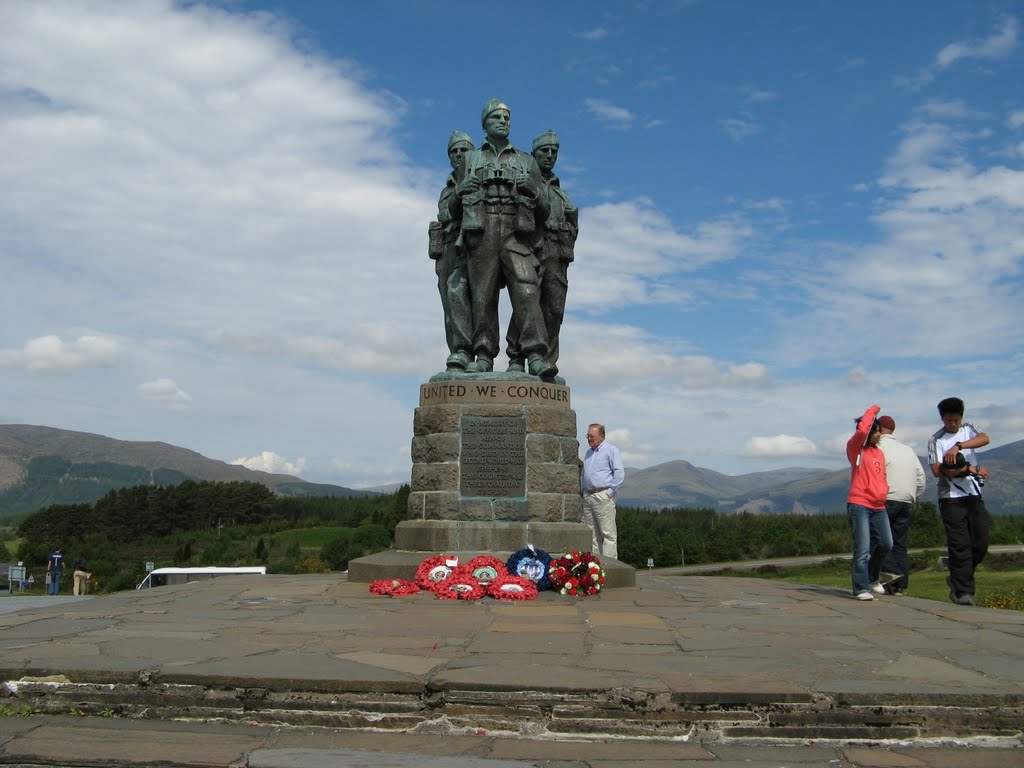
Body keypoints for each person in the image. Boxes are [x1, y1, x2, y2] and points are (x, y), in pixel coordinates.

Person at [451, 98, 555, 378]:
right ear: (485, 123)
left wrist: (533, 189)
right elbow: (452, 210)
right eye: (496, 117)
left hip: (514, 233)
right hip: (481, 232)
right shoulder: (471, 159)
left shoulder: (526, 161)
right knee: (482, 295)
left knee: (527, 289)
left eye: (506, 118)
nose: (503, 122)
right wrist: (462, 190)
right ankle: (483, 354)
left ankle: (534, 354)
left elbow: (544, 212)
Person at [505, 130, 578, 371]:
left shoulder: (561, 193)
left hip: (558, 254)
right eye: (544, 151)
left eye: (553, 151)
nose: (549, 155)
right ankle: (516, 356)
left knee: (554, 310)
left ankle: (547, 361)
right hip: (532, 247)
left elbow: (574, 224)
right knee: (527, 301)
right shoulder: (525, 182)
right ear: (534, 154)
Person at [928, 397, 990, 606]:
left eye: (955, 420)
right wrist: (967, 469)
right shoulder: (936, 440)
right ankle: (962, 591)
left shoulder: (968, 430)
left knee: (980, 543)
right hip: (950, 498)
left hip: (973, 495)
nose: (952, 424)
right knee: (959, 544)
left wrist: (959, 447)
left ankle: (957, 575)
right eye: (948, 421)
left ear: (961, 418)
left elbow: (985, 439)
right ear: (942, 419)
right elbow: (937, 471)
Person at [430, 131, 476, 371]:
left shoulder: (479, 181)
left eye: (463, 150)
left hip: (474, 246)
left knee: (473, 300)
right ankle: (458, 353)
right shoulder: (448, 189)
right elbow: (446, 214)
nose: (458, 155)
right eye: (454, 151)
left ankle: (474, 352)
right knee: (450, 303)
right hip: (449, 247)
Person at [845, 405, 893, 601]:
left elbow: (881, 477)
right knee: (863, 548)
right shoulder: (856, 450)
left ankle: (872, 578)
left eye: (879, 431)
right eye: (875, 431)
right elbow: (863, 431)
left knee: (886, 544)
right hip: (860, 504)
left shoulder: (879, 453)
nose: (878, 435)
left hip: (879, 505)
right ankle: (860, 587)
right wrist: (872, 411)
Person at [875, 415, 926, 595]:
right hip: (907, 499)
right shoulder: (908, 450)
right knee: (900, 544)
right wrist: (914, 496)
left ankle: (891, 571)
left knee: (879, 538)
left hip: (886, 498)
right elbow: (920, 477)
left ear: (879, 429)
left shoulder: (877, 448)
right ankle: (899, 585)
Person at [580, 423, 625, 560]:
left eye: (592, 436)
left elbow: (619, 473)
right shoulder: (588, 453)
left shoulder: (611, 450)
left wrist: (610, 492)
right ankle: (595, 568)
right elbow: (584, 474)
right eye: (588, 436)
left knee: (608, 534)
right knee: (592, 534)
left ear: (602, 436)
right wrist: (583, 492)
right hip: (588, 496)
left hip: (602, 495)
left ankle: (610, 566)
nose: (589, 439)